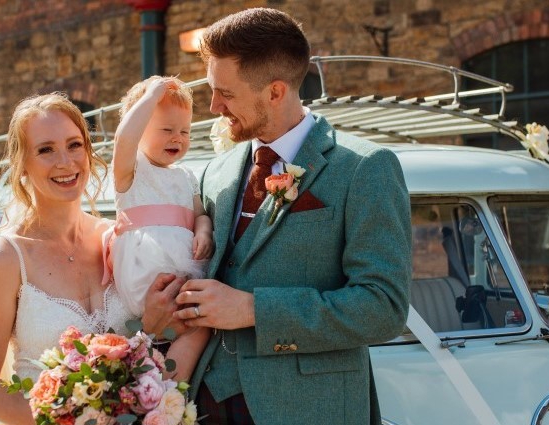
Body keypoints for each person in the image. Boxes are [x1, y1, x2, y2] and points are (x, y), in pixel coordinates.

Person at [172, 8, 412, 425]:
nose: (213, 107)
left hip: (306, 409)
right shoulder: (217, 171)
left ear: (276, 91)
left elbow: (384, 307)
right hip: (203, 405)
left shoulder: (364, 168)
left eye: (225, 93)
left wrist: (254, 310)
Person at [0, 93, 184, 425]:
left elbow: (154, 345)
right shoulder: (5, 258)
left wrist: (152, 328)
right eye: (45, 150)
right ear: (22, 163)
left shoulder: (119, 238)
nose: (66, 162)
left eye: (75, 145)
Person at [110, 75, 213, 381]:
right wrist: (151, 96)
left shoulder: (186, 176)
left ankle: (168, 391)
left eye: (184, 131)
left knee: (196, 329)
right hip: (145, 273)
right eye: (167, 130)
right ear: (140, 128)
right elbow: (124, 139)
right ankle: (156, 388)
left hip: (184, 271)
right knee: (182, 324)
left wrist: (203, 231)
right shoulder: (131, 172)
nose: (177, 138)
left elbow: (200, 214)